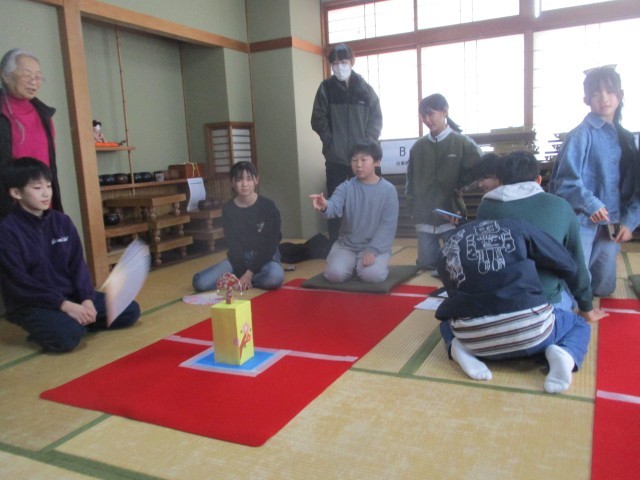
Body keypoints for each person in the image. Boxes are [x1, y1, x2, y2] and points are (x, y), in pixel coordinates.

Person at [435, 218, 592, 394]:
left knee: (447, 323)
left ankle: (457, 349)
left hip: (474, 341)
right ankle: (565, 354)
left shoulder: (452, 240)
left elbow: (450, 286)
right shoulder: (516, 226)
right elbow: (567, 263)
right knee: (580, 324)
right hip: (533, 330)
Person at [0, 158, 139, 353]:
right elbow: (20, 283)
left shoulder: (62, 221)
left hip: (70, 296)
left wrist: (87, 299)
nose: (46, 193)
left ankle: (76, 321)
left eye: (49, 186)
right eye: (37, 188)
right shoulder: (7, 231)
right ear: (16, 193)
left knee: (130, 310)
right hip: (34, 303)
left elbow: (78, 265)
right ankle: (68, 324)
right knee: (66, 338)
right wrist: (64, 305)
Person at [477, 151, 607, 323]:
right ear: (538, 180)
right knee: (575, 319)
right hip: (546, 303)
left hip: (498, 302)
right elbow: (577, 263)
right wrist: (586, 308)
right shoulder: (561, 206)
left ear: (499, 182)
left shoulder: (485, 207)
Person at [549, 65, 640, 297]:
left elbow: (637, 190)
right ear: (586, 99)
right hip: (581, 221)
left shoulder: (629, 140)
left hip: (613, 224)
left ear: (620, 95)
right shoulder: (580, 135)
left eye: (609, 91)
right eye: (596, 93)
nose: (604, 98)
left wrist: (630, 222)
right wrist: (591, 204)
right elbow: (564, 183)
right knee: (575, 285)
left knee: (604, 287)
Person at [311, 43, 383, 243]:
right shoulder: (326, 88)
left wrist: (367, 147)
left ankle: (368, 244)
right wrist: (330, 142)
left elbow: (376, 120)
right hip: (336, 158)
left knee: (366, 202)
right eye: (334, 63)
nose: (339, 66)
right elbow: (317, 119)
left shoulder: (365, 89)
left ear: (352, 62)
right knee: (335, 203)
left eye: (343, 62)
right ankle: (336, 245)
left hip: (362, 160)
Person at [405, 93, 482, 272]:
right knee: (426, 265)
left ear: (445, 111)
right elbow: (410, 181)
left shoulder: (462, 143)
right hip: (424, 216)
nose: (427, 120)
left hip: (451, 214)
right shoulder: (418, 147)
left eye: (431, 114)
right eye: (423, 115)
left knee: (455, 266)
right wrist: (413, 209)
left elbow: (480, 169)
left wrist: (460, 189)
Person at [310, 141, 398, 283]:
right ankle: (352, 264)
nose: (358, 165)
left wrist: (372, 250)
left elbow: (388, 226)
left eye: (363, 160)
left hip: (374, 246)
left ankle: (365, 265)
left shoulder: (388, 190)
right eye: (354, 160)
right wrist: (324, 205)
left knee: (372, 276)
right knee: (334, 275)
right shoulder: (346, 187)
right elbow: (334, 206)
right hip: (346, 245)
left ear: (377, 162)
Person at [192, 161, 284, 292]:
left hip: (266, 258)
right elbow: (233, 245)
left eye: (249, 179)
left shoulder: (268, 207)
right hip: (238, 259)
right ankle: (242, 280)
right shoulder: (228, 210)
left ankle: (241, 280)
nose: (244, 184)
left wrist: (249, 274)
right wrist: (242, 272)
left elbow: (270, 245)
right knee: (200, 283)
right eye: (239, 179)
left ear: (256, 181)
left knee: (274, 277)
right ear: (232, 183)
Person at [0, 48, 62, 219]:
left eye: (38, 76)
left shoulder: (43, 115)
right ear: (6, 76)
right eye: (27, 75)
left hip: (42, 206)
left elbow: (50, 165)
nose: (34, 81)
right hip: (8, 207)